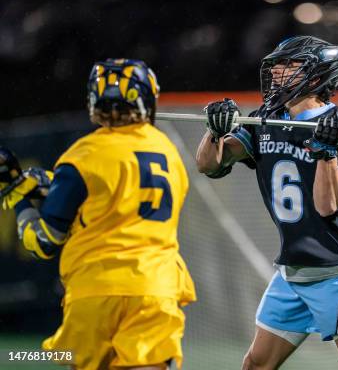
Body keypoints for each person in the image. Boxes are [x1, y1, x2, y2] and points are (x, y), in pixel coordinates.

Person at [196, 36, 338, 370]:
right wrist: (214, 131)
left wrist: (327, 151)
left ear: (316, 77)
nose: (277, 73)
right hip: (293, 271)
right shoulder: (265, 120)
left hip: (335, 269)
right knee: (257, 364)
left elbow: (327, 206)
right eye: (277, 65)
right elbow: (210, 164)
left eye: (289, 65)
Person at [0, 59, 196, 370]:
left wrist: (17, 197)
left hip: (95, 291)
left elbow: (44, 241)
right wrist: (52, 185)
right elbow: (121, 196)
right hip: (154, 288)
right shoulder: (169, 151)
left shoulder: (83, 155)